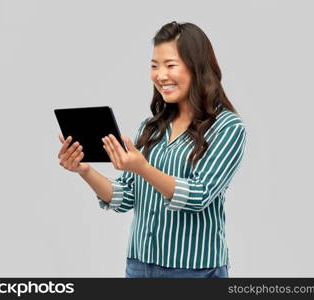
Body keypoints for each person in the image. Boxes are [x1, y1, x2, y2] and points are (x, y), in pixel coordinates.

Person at [57, 21, 247, 278]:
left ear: (197, 67)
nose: (160, 75)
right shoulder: (151, 127)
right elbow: (126, 197)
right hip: (139, 266)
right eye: (154, 66)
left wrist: (143, 168)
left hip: (193, 271)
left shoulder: (228, 127)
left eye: (170, 65)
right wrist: (84, 170)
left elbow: (200, 196)